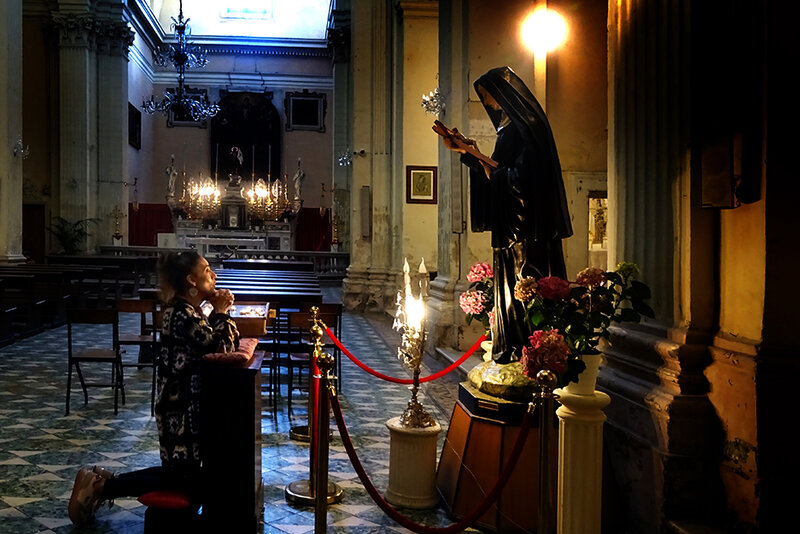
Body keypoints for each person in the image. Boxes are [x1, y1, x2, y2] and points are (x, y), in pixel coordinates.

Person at [67, 251, 239, 526]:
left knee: (181, 476)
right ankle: (101, 486)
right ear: (191, 280)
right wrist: (222, 312)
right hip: (179, 412)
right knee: (185, 480)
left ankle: (105, 484)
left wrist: (218, 315)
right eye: (207, 270)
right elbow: (222, 347)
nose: (214, 275)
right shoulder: (182, 314)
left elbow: (222, 344)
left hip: (184, 408)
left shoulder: (187, 311)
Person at [440, 66, 573, 365]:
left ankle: (527, 352)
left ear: (504, 93)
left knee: (523, 288)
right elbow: (498, 172)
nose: (486, 102)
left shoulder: (527, 128)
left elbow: (522, 178)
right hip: (508, 224)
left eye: (488, 95)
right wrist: (469, 154)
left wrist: (477, 157)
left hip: (525, 226)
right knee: (508, 291)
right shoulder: (508, 130)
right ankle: (511, 349)